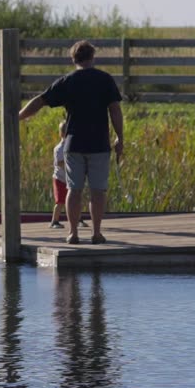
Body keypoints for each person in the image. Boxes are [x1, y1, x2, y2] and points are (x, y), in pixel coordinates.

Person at [18, 40, 124, 245]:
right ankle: (96, 233)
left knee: (74, 190)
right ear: (92, 57)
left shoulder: (67, 81)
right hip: (99, 143)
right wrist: (120, 137)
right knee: (97, 191)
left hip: (73, 143)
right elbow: (115, 110)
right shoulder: (105, 79)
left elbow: (40, 100)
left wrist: (18, 116)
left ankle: (73, 233)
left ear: (73, 59)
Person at [49, 120, 69, 228]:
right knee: (60, 201)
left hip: (68, 179)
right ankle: (54, 221)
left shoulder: (71, 146)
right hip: (59, 178)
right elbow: (59, 163)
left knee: (74, 199)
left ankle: (78, 219)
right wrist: (70, 161)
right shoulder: (59, 148)